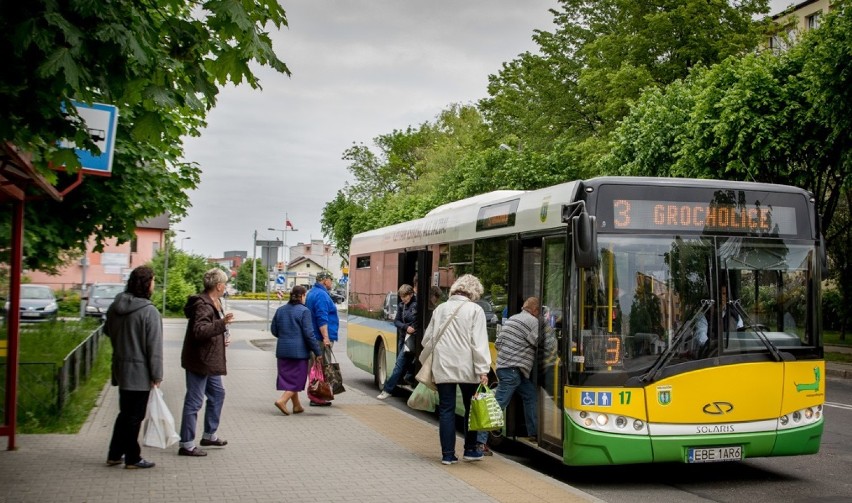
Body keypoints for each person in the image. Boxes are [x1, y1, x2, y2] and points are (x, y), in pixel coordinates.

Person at [420, 274, 491, 465]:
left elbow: (426, 340)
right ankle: (470, 450)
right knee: (472, 408)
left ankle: (448, 455)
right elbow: (479, 343)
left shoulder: (440, 309)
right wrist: (483, 370)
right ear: (474, 292)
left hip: (443, 366)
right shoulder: (476, 310)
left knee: (446, 409)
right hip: (469, 369)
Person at [105, 265, 163, 469]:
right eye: (153, 280)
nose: (154, 284)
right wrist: (157, 374)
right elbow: (153, 347)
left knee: (125, 413)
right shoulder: (149, 312)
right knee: (134, 416)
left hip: (120, 367)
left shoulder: (115, 306)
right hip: (139, 372)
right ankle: (132, 458)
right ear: (147, 284)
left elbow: (107, 331)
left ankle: (114, 454)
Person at [178, 268, 234, 457]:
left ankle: (209, 434)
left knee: (217, 394)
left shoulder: (215, 302)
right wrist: (222, 324)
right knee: (194, 401)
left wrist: (222, 335)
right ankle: (186, 443)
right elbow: (200, 331)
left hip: (210, 360)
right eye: (224, 283)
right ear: (218, 286)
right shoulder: (203, 305)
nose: (225, 286)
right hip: (200, 360)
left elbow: (211, 330)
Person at [476, 297, 540, 451]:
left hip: (510, 369)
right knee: (496, 406)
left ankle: (534, 433)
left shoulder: (512, 319)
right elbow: (540, 343)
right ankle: (479, 443)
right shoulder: (533, 322)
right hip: (512, 371)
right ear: (535, 310)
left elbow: (498, 344)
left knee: (530, 395)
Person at [271, 285, 322, 415]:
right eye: (305, 295)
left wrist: (285, 338)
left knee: (289, 379)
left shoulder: (280, 310)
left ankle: (297, 406)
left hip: (282, 351)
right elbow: (309, 334)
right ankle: (282, 400)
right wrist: (317, 352)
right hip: (299, 353)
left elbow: (274, 330)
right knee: (298, 381)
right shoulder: (304, 311)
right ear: (302, 296)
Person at [377, 284, 417, 400]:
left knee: (399, 365)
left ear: (411, 294)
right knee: (401, 364)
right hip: (403, 338)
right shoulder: (401, 306)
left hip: (412, 340)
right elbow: (396, 321)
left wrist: (411, 327)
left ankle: (387, 390)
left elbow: (418, 321)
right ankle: (408, 378)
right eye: (401, 297)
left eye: (405, 297)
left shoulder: (417, 305)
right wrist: (406, 327)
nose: (403, 299)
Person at [305, 270, 338, 406]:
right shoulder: (322, 295)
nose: (332, 282)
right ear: (324, 281)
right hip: (320, 339)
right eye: (330, 280)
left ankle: (315, 395)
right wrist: (326, 338)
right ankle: (319, 396)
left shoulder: (312, 293)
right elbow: (322, 318)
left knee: (314, 368)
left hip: (313, 337)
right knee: (323, 367)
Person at [693, 284, 742, 358]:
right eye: (719, 294)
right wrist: (716, 346)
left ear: (727, 297)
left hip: (733, 356)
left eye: (724, 294)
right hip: (710, 357)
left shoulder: (735, 315)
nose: (721, 297)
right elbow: (701, 337)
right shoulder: (704, 315)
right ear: (714, 296)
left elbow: (741, 336)